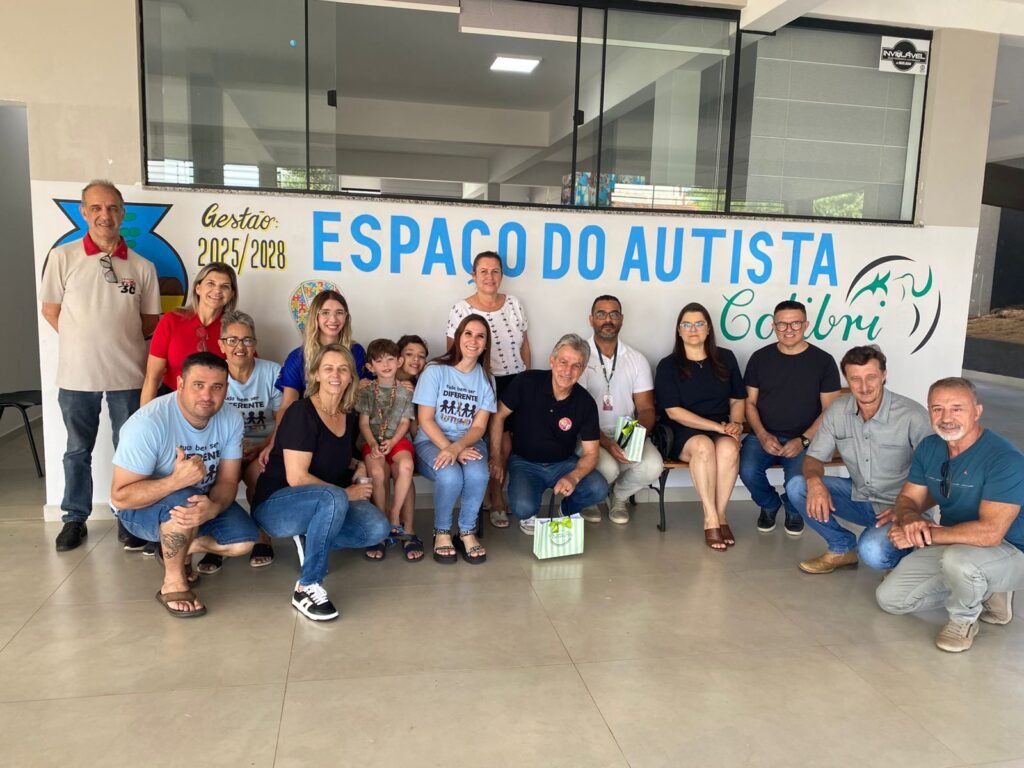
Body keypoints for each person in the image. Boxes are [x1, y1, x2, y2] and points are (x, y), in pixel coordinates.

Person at [40, 180, 161, 552]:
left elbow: (150, 321)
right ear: (84, 212)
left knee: (132, 451)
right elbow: (50, 310)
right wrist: (83, 341)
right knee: (78, 449)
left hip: (128, 375)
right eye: (96, 208)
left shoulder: (142, 266)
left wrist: (113, 342)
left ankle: (130, 518)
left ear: (123, 213)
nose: (104, 215)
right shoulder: (63, 257)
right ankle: (75, 519)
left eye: (112, 208)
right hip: (77, 376)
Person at [877, 377, 1024, 652]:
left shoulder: (1005, 458)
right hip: (958, 543)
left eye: (957, 408)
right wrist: (910, 521)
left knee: (960, 560)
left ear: (977, 411)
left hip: (1011, 549)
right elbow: (909, 498)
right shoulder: (930, 447)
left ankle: (964, 620)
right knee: (891, 599)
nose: (946, 418)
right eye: (937, 409)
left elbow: (991, 534)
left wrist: (923, 537)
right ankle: (987, 589)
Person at [111, 352, 259, 618]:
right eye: (198, 385)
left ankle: (178, 546)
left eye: (217, 387)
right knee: (183, 499)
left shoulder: (231, 418)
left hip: (200, 501)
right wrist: (175, 481)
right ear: (180, 384)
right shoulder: (148, 423)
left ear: (227, 388)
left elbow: (227, 480)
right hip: (142, 510)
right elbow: (121, 498)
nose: (207, 396)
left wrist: (213, 508)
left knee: (244, 543)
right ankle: (173, 582)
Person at [251, 344, 390, 621]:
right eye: (328, 368)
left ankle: (310, 536)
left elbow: (332, 454)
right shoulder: (300, 412)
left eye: (342, 369)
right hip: (277, 505)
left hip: (325, 502)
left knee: (377, 528)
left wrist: (358, 463)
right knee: (333, 497)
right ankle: (307, 586)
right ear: (315, 374)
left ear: (351, 376)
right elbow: (297, 477)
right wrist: (346, 493)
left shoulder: (347, 415)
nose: (335, 375)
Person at [786, 345, 931, 574]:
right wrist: (814, 482)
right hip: (861, 498)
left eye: (871, 377)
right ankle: (842, 548)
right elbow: (813, 457)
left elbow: (936, 476)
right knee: (798, 486)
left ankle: (904, 553)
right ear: (846, 379)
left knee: (873, 552)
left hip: (904, 507)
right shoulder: (838, 410)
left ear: (884, 375)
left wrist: (907, 509)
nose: (864, 387)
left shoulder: (912, 415)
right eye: (855, 379)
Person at [490, 334, 608, 535]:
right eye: (563, 362)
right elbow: (498, 416)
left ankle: (567, 510)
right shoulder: (526, 381)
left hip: (563, 463)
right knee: (522, 508)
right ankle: (530, 514)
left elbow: (591, 453)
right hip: (524, 462)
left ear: (583, 369)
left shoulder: (585, 402)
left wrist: (573, 477)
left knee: (599, 488)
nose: (567, 371)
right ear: (552, 360)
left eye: (576, 365)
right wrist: (495, 456)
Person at [740, 300, 841, 536]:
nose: (788, 329)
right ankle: (770, 504)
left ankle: (794, 507)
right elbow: (750, 403)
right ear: (773, 326)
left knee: (798, 479)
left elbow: (830, 411)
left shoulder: (823, 361)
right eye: (782, 324)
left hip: (807, 438)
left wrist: (803, 440)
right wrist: (763, 435)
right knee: (746, 469)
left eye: (795, 323)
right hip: (764, 434)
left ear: (805, 324)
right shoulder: (759, 358)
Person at [446, 251, 530, 529]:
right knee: (492, 443)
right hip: (480, 381)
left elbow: (524, 345)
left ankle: (495, 496)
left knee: (508, 446)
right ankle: (491, 499)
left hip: (514, 380)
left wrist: (526, 377)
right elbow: (452, 352)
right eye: (483, 271)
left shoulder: (515, 304)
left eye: (495, 271)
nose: (489, 277)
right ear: (473, 275)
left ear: (502, 275)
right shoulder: (461, 309)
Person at [195, 309, 281, 574]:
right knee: (214, 480)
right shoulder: (214, 377)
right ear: (221, 345)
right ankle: (218, 544)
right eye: (232, 340)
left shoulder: (272, 372)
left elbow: (283, 421)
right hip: (224, 449)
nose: (239, 347)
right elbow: (204, 421)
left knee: (258, 476)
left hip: (264, 445)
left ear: (255, 343)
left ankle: (262, 537)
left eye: (246, 340)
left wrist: (264, 446)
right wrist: (229, 451)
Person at [654, 303, 745, 551]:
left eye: (698, 324)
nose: (692, 329)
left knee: (728, 449)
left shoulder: (726, 358)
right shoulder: (668, 365)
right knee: (704, 446)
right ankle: (710, 518)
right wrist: (716, 427)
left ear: (708, 329)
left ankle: (722, 514)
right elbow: (673, 411)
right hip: (682, 431)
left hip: (722, 427)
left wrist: (736, 424)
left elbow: (738, 399)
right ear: (679, 331)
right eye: (686, 324)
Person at [413, 315, 495, 564]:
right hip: (431, 440)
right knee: (450, 474)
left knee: (479, 474)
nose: (473, 340)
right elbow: (425, 419)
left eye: (480, 336)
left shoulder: (486, 379)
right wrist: (450, 449)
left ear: (485, 344)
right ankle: (441, 532)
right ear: (458, 337)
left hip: (469, 442)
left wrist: (458, 447)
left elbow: (480, 426)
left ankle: (466, 531)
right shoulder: (435, 370)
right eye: (468, 334)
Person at [577, 295, 662, 525]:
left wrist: (630, 438)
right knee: (609, 468)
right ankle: (589, 498)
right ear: (591, 319)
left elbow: (646, 408)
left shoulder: (636, 359)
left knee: (654, 465)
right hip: (589, 435)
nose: (608, 319)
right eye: (601, 314)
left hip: (627, 431)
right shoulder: (579, 357)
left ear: (621, 319)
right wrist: (606, 442)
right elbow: (576, 412)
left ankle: (619, 496)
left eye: (614, 314)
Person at [357, 338, 419, 562]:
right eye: (379, 361)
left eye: (391, 359)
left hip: (397, 441)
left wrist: (392, 443)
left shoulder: (405, 391)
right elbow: (363, 423)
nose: (386, 365)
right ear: (371, 366)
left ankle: (395, 515)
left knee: (406, 465)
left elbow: (404, 422)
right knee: (377, 472)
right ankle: (382, 523)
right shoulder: (366, 392)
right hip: (373, 440)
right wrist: (373, 443)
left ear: (399, 361)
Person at [141, 262, 237, 405]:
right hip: (172, 402)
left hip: (215, 405)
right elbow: (152, 377)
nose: (217, 290)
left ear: (231, 294)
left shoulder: (235, 327)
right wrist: (145, 418)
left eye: (225, 286)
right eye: (210, 283)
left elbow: (248, 372)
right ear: (198, 288)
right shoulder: (171, 320)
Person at [276, 288, 367, 421]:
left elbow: (362, 396)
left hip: (347, 424)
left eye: (339, 313)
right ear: (315, 316)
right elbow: (287, 406)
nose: (333, 319)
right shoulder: (298, 357)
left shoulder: (356, 352)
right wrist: (276, 441)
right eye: (325, 312)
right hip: (308, 426)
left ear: (346, 317)